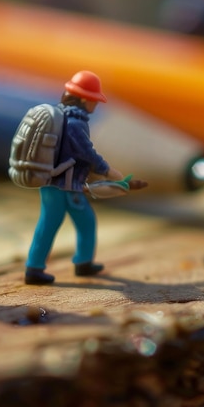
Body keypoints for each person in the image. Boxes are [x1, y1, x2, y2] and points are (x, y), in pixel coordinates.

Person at [24, 71, 147, 285]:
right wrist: (108, 171)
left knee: (61, 223)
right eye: (94, 101)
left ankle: (64, 264)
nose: (95, 105)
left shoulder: (61, 117)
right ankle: (49, 267)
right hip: (65, 185)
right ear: (83, 99)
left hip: (54, 182)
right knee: (69, 223)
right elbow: (87, 153)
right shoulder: (75, 123)